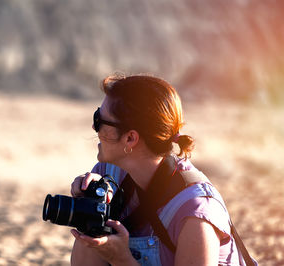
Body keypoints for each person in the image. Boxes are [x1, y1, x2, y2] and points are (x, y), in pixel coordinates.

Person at [69, 74, 249, 265]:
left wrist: (121, 260)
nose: (93, 126)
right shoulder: (110, 174)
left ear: (130, 138)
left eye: (99, 120)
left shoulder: (195, 212)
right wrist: (89, 211)